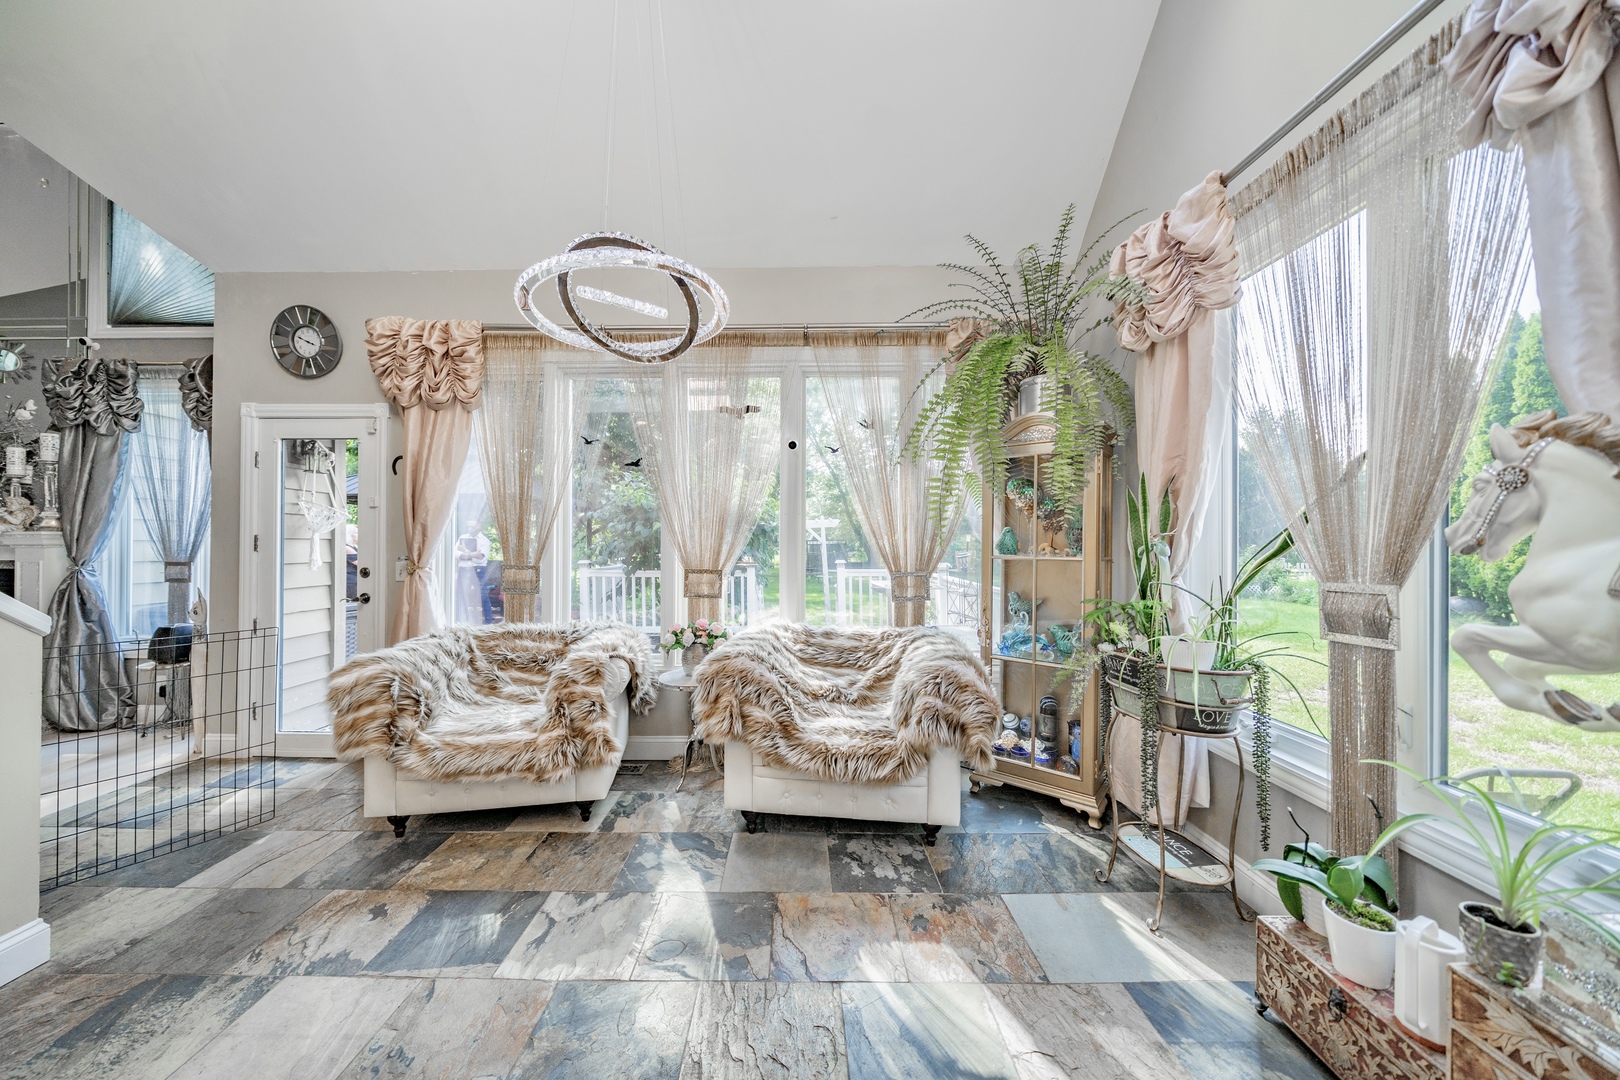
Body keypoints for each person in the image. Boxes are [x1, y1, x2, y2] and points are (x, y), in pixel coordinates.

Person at [456, 520, 492, 624]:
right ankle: (465, 621)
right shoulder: (462, 538)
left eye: (472, 526)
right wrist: (473, 554)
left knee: (483, 596)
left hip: (478, 570)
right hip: (464, 570)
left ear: (479, 526)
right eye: (468, 526)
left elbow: (480, 558)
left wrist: (465, 552)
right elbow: (456, 555)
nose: (470, 528)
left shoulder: (485, 541)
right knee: (463, 595)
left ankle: (489, 622)